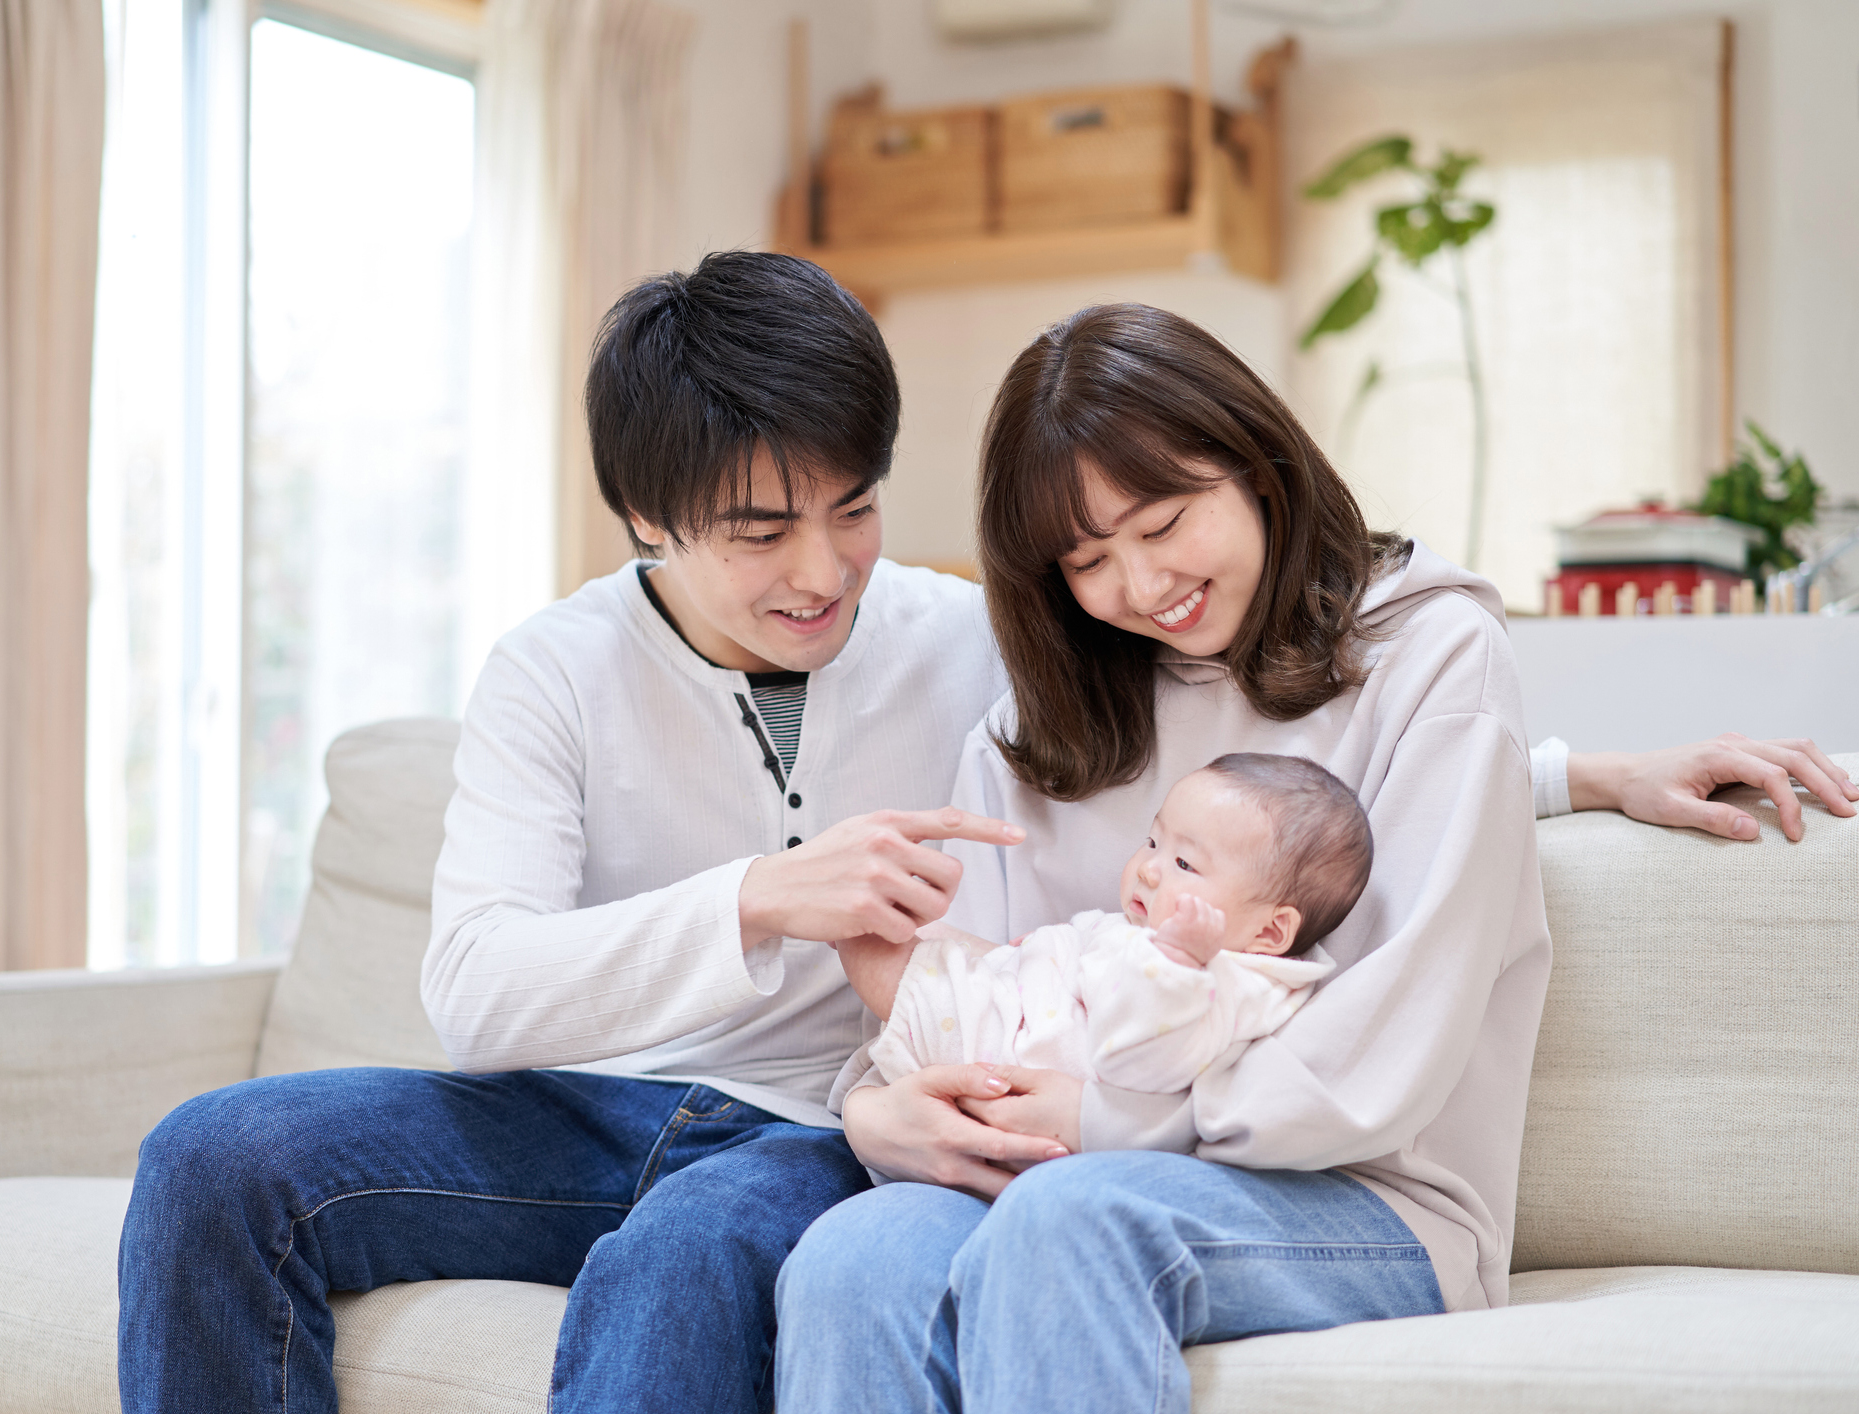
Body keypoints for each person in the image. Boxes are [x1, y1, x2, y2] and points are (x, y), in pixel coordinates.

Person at [115, 255, 1853, 1414]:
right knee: (236, 1156)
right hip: (782, 1114)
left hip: (1174, 1161)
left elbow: (1344, 842)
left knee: (919, 1231)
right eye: (1085, 559)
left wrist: (1587, 770)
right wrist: (831, 1006)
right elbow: (989, 956)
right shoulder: (1020, 674)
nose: (821, 569)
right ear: (647, 521)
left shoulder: (1091, 641)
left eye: (856, 509)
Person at [772, 303, 1859, 1414]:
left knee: (1077, 1220)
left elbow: (1381, 1053)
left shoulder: (1427, 651)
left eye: (1163, 522)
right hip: (1052, 1168)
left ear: (1253, 460)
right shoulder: (1036, 730)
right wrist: (878, 1109)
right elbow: (965, 997)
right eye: (1088, 560)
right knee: (854, 1257)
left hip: (1362, 1196)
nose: (1141, 588)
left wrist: (1100, 1119)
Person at [834, 753, 1364, 1095]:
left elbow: (1145, 1060)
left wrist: (1177, 965)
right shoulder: (1176, 938)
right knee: (920, 931)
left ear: (1269, 934)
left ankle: (836, 912)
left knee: (865, 934)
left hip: (997, 1045)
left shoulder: (1232, 986)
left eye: (1185, 864)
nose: (1149, 867)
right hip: (1011, 994)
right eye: (1154, 842)